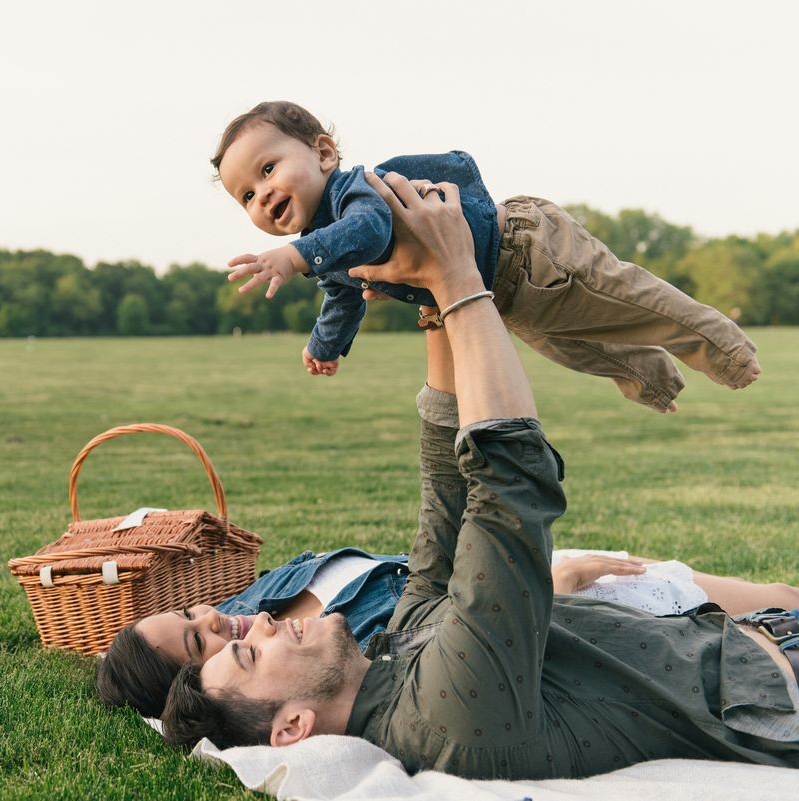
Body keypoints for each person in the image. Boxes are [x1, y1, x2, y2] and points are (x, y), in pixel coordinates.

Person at [159, 172, 799, 778]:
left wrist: (433, 299)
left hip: (753, 636)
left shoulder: (392, 647)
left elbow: (448, 497)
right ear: (293, 729)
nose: (262, 623)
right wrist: (461, 278)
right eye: (248, 654)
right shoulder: (447, 716)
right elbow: (508, 494)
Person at [213, 101, 759, 412]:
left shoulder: (356, 192)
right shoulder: (328, 248)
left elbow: (369, 228)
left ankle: (725, 348)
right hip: (497, 295)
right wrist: (324, 343)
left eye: (267, 170)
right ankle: (659, 383)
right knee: (581, 350)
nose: (261, 194)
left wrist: (294, 255)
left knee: (627, 301)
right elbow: (344, 296)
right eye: (245, 197)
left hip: (528, 250)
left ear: (324, 153)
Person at [97, 544, 799, 719]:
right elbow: (455, 643)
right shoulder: (333, 663)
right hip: (543, 599)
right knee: (775, 609)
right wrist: (544, 587)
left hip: (521, 566)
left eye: (191, 611)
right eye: (199, 639)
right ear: (204, 679)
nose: (211, 616)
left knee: (781, 598)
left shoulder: (266, 596)